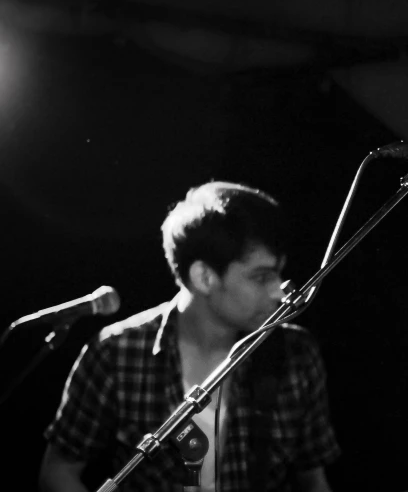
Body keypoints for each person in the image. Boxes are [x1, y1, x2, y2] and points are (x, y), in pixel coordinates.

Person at [39, 181, 340, 492]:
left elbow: (314, 480)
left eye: (279, 273)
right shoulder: (116, 350)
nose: (279, 290)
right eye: (261, 276)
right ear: (204, 277)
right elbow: (58, 472)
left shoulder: (296, 352)